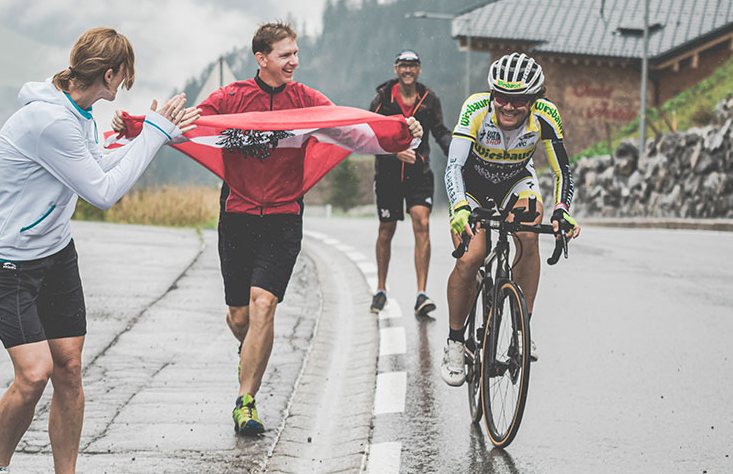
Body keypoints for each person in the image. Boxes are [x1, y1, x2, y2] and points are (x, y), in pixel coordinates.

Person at [0, 28, 199, 474]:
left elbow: (96, 164)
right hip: (9, 263)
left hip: (55, 254)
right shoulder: (50, 120)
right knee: (34, 375)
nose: (124, 86)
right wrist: (153, 134)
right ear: (111, 74)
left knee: (70, 370)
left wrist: (150, 137)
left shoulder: (78, 111)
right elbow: (102, 192)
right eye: (125, 76)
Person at [193, 23, 423, 435]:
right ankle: (247, 351)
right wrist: (140, 127)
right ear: (261, 59)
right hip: (237, 216)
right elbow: (189, 126)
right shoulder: (231, 98)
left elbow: (350, 130)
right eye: (285, 55)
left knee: (264, 303)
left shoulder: (305, 100)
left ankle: (246, 401)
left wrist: (393, 139)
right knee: (239, 316)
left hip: (283, 217)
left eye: (296, 53)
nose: (293, 61)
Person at [439, 52, 580, 387]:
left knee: (530, 236)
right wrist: (460, 208)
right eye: (501, 98)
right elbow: (454, 167)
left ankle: (521, 328)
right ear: (492, 95)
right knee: (471, 256)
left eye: (520, 100)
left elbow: (563, 171)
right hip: (471, 187)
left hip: (515, 183)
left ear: (534, 100)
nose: (509, 106)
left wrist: (562, 209)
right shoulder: (475, 109)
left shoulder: (546, 116)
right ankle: (455, 342)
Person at [368, 50, 451, 316]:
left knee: (422, 223)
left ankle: (421, 294)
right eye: (403, 66)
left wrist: (459, 154)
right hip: (389, 175)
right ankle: (380, 290)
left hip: (419, 173)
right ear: (396, 69)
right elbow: (368, 134)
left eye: (412, 66)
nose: (407, 70)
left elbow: (440, 132)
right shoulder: (382, 99)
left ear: (419, 70)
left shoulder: (428, 100)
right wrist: (393, 153)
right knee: (386, 230)